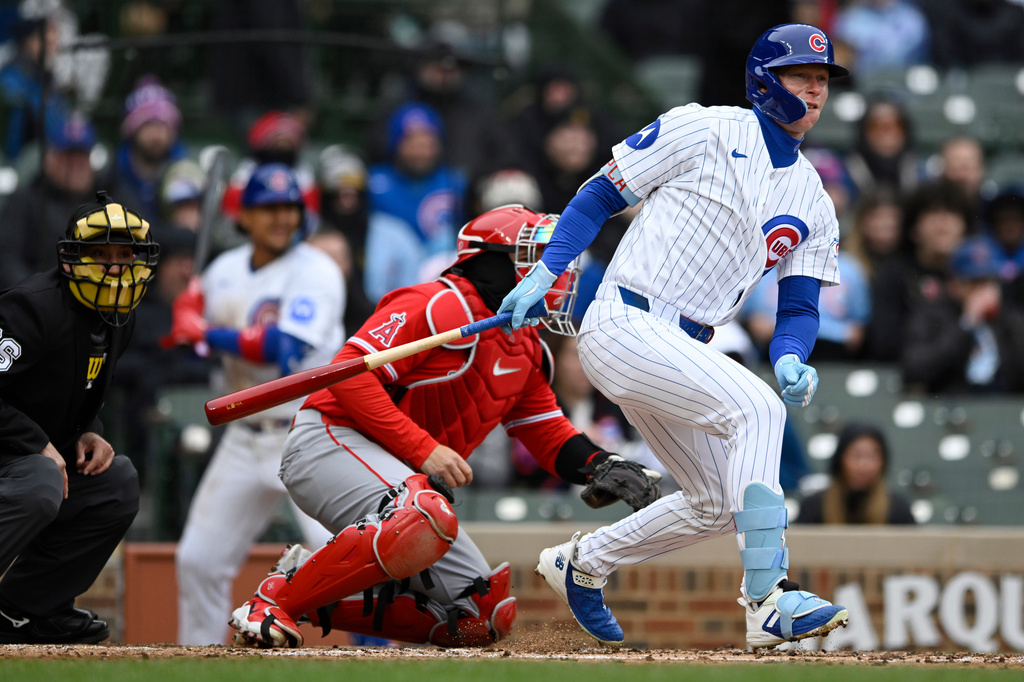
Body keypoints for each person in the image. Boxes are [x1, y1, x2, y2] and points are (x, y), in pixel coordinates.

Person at [497, 23, 851, 649]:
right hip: (624, 319)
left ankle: (583, 563)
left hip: (685, 345)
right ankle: (769, 598)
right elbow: (599, 193)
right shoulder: (704, 126)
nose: (817, 92)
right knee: (758, 409)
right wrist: (551, 267)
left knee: (716, 502)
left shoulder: (814, 199)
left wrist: (792, 354)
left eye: (823, 80)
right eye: (803, 76)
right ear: (765, 80)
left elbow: (798, 304)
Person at [226, 205, 662, 649]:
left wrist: (601, 464)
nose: (555, 272)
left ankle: (301, 590)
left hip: (405, 479)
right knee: (421, 515)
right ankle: (271, 603)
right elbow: (349, 374)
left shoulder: (527, 345)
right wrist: (423, 449)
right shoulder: (434, 304)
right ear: (494, 260)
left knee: (479, 616)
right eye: (539, 257)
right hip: (330, 442)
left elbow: (545, 430)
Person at [168, 164, 344, 645]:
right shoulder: (222, 270)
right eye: (269, 208)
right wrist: (184, 314)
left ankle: (384, 657)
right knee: (198, 560)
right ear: (244, 215)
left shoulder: (317, 269)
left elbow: (283, 346)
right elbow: (195, 345)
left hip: (310, 432)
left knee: (350, 555)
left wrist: (205, 331)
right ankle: (198, 661)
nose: (282, 217)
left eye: (289, 207)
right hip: (244, 438)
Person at [0, 191, 159, 644]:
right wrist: (36, 443)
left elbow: (74, 390)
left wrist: (91, 430)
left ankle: (24, 609)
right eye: (100, 253)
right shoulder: (29, 308)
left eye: (124, 255)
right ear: (71, 258)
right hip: (15, 458)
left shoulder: (119, 316)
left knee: (117, 482)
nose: (114, 267)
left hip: (27, 458)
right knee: (39, 480)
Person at [363, 102, 467, 302]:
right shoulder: (374, 183)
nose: (420, 150)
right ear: (396, 142)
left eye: (427, 141)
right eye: (411, 141)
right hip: (387, 286)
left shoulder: (455, 183)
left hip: (442, 285)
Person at [901, 236, 1024, 395]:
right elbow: (914, 369)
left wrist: (1008, 328)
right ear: (953, 284)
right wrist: (966, 324)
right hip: (950, 405)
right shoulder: (932, 315)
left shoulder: (1009, 318)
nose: (983, 290)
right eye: (974, 282)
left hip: (1002, 405)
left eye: (988, 281)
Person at [0, 111, 99, 289]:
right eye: (68, 157)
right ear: (49, 159)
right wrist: (40, 296)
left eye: (82, 157)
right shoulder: (24, 201)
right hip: (36, 304)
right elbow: (6, 259)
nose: (76, 166)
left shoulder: (106, 203)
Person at [796, 422, 915, 525]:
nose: (863, 466)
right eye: (856, 456)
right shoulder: (814, 507)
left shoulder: (898, 509)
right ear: (840, 459)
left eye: (871, 457)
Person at [109, 77, 187, 222]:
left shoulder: (186, 174)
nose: (156, 135)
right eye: (148, 125)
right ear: (132, 130)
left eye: (162, 126)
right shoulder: (113, 176)